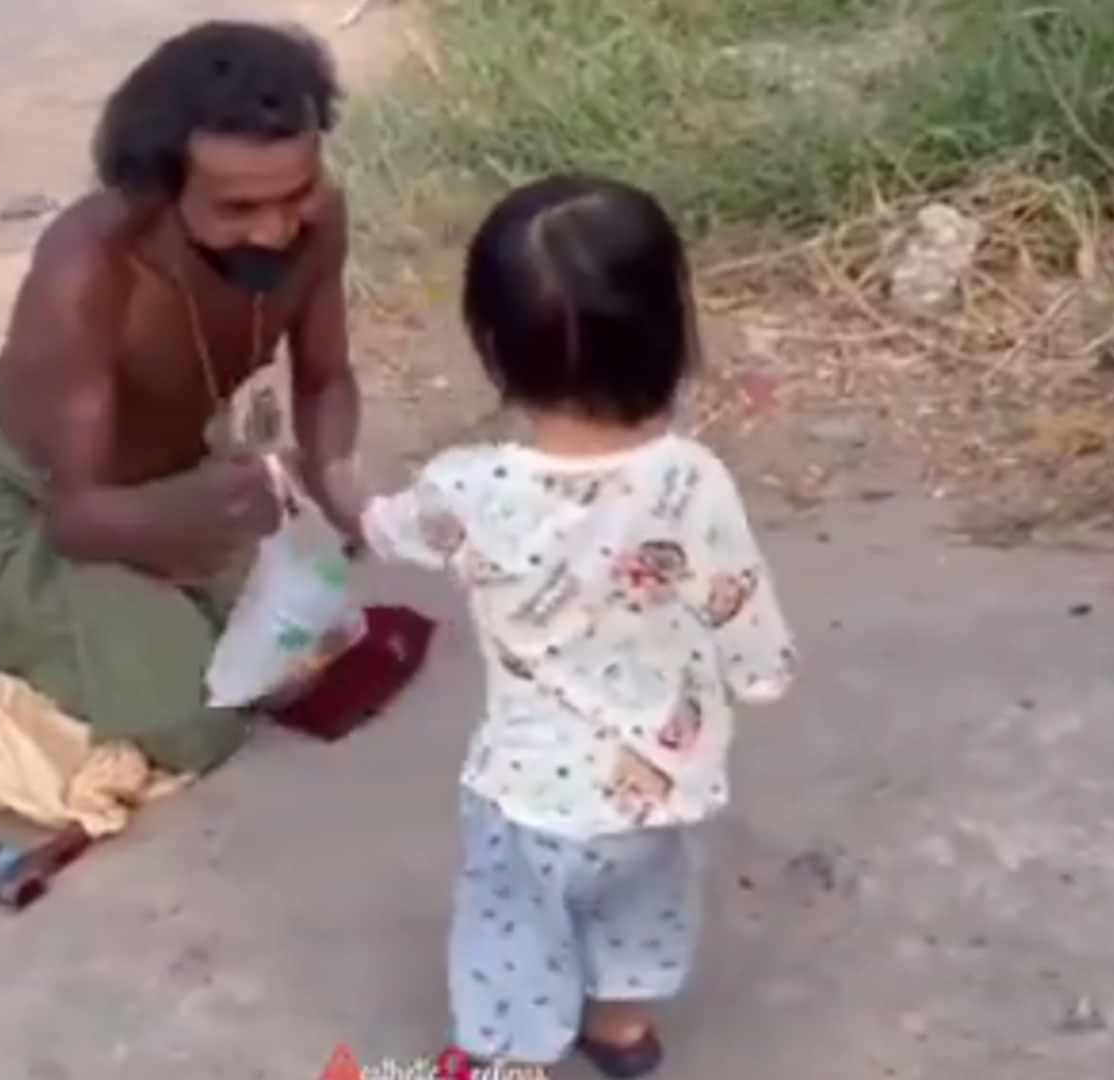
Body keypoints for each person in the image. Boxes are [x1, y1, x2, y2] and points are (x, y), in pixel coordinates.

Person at [322, 175, 798, 1077]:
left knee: (514, 932)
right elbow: (741, 607)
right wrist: (762, 673)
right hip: (661, 779)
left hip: (527, 793)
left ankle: (511, 1058)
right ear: (674, 329)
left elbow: (384, 528)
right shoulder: (693, 479)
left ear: (492, 346)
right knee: (643, 904)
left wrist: (339, 488)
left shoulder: (470, 487)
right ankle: (621, 1031)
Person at [0, 21, 360, 776]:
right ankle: (12, 610)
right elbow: (78, 517)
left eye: (294, 193)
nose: (274, 231)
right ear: (161, 190)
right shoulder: (90, 275)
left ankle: (177, 596)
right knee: (197, 727)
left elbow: (326, 379)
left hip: (171, 473)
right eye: (237, 210)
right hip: (45, 506)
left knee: (309, 654)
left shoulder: (318, 222)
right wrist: (201, 506)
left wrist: (337, 477)